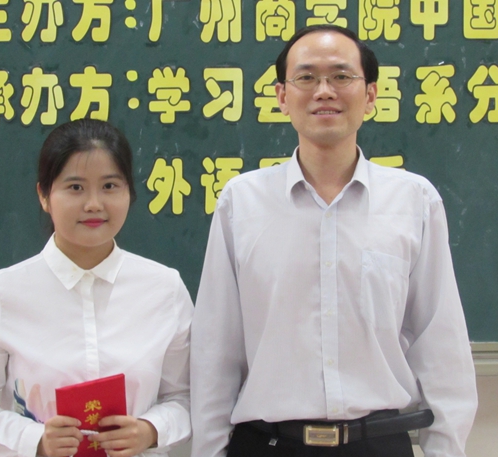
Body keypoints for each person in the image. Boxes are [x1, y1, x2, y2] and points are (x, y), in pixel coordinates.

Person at [190, 25, 477, 457]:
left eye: (342, 76)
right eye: (306, 77)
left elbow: (440, 344)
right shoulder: (241, 202)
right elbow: (216, 349)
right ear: (282, 96)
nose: (324, 91)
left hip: (377, 444)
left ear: (371, 94)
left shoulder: (414, 201)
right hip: (268, 444)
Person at [0, 119, 192, 457]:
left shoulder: (164, 289)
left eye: (109, 186)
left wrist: (151, 430)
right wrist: (35, 440)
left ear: (129, 193)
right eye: (75, 187)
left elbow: (188, 397)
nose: (94, 204)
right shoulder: (2, 294)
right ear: (44, 195)